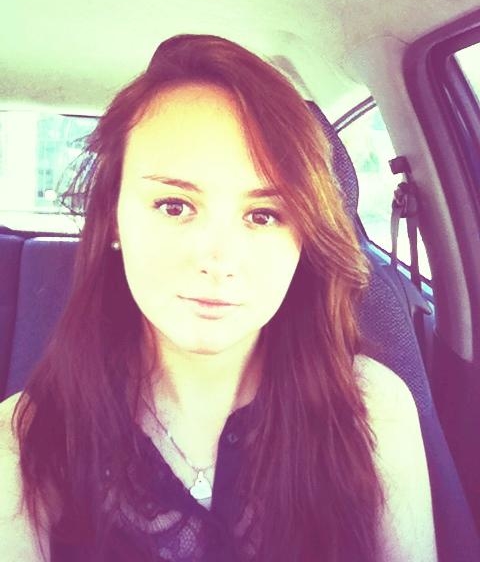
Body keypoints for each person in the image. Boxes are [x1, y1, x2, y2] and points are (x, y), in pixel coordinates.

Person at [0, 34, 437, 562]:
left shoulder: (373, 409)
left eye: (263, 215)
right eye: (174, 205)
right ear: (114, 216)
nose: (218, 259)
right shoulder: (24, 441)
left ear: (304, 236)